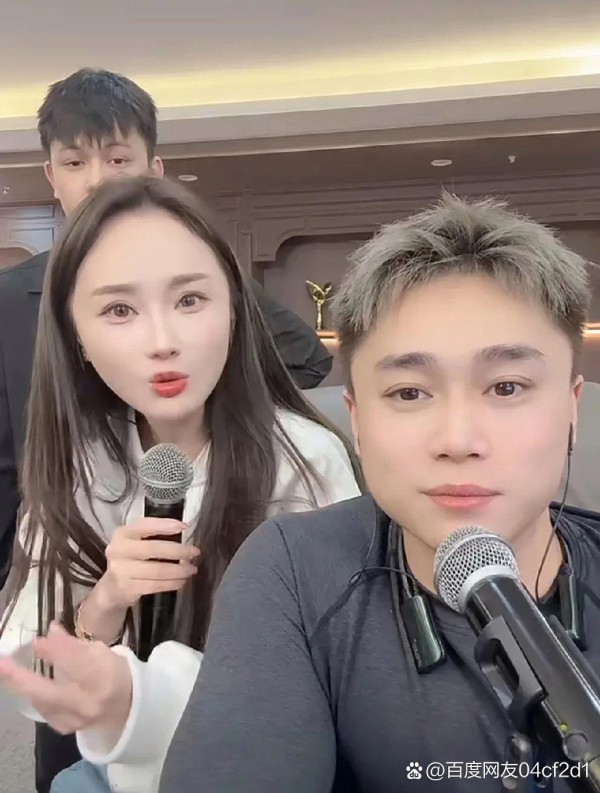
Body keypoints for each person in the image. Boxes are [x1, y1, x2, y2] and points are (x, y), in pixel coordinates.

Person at [29, 192, 596, 793]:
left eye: (507, 387)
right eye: (409, 393)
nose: (458, 440)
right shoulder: (293, 571)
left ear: (572, 406)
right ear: (357, 419)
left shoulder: (301, 455)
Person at [0, 67, 331, 791]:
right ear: (77, 337)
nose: (162, 342)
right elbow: (26, 675)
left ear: (235, 307)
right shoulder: (77, 468)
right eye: (118, 310)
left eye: (189, 300)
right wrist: (105, 602)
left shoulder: (306, 458)